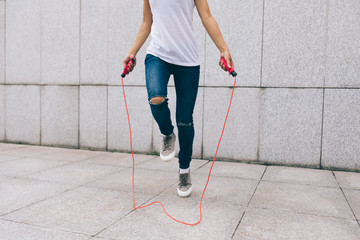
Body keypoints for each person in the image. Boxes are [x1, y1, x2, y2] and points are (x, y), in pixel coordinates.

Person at [123, 0, 234, 198]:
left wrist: (223, 48)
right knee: (156, 97)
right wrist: (133, 51)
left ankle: (184, 170)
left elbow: (206, 16)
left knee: (185, 120)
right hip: (158, 54)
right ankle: (167, 133)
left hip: (188, 61)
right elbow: (147, 22)